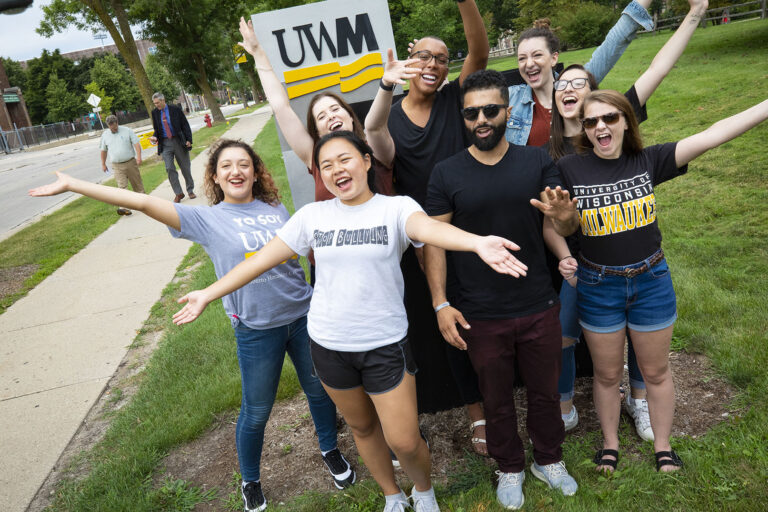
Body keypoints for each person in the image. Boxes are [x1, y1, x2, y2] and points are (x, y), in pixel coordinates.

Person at [171, 131, 528, 512]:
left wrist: (476, 242)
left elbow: (429, 230)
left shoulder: (395, 208)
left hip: (385, 345)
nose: (337, 170)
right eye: (326, 165)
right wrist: (208, 293)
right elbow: (259, 260)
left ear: (366, 161)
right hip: (328, 346)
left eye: (345, 159)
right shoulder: (312, 216)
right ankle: (392, 494)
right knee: (361, 428)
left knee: (405, 440)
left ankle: (423, 490)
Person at [29, 139, 356, 512]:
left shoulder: (275, 206)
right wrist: (75, 185)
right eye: (227, 166)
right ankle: (250, 479)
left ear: (255, 171)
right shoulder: (207, 218)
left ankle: (329, 449)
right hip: (256, 329)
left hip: (302, 317)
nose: (237, 171)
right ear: (215, 176)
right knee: (256, 409)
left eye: (244, 164)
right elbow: (143, 202)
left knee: (319, 390)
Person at [537, 90, 768, 473]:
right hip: (598, 284)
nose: (600, 127)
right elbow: (556, 225)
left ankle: (663, 446)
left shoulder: (648, 159)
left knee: (656, 371)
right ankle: (609, 445)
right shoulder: (570, 170)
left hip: (651, 280)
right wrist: (564, 242)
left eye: (610, 118)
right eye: (591, 121)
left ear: (627, 121)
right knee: (608, 374)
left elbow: (715, 134)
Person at [547, 0, 708, 437]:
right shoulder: (545, 152)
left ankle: (640, 399)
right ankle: (566, 403)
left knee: (643, 332)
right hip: (580, 264)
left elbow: (658, 68)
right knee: (566, 332)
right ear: (554, 95)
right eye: (563, 82)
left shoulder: (609, 123)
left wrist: (694, 14)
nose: (572, 88)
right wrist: (565, 251)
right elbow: (551, 220)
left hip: (632, 259)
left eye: (582, 83)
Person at [425, 70, 579, 509]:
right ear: (464, 118)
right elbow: (434, 243)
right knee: (495, 398)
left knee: (545, 391)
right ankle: (509, 466)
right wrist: (440, 303)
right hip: (479, 310)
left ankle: (548, 459)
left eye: (490, 110)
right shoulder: (446, 173)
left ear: (508, 112)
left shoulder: (536, 162)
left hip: (537, 302)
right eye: (472, 113)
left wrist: (566, 218)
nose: (482, 119)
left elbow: (560, 224)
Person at [384, 0, 492, 454]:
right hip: (424, 237)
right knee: (447, 319)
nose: (432, 64)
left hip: (472, 223)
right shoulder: (388, 117)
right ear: (409, 64)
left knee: (485, 314)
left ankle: (499, 395)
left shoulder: (455, 100)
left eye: (441, 58)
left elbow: (480, 53)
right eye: (423, 56)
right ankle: (477, 414)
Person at [237, 17, 418, 202]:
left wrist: (386, 84)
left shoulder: (375, 149)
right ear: (317, 131)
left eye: (335, 109)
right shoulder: (315, 158)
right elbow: (281, 107)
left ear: (349, 116)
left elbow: (375, 126)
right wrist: (257, 52)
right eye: (322, 116)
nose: (331, 116)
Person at [506, 0, 654, 146]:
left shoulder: (578, 84)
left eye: (537, 55)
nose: (529, 63)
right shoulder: (509, 99)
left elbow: (614, 42)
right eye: (522, 58)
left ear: (553, 58)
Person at [149, 92, 195, 203]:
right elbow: (157, 129)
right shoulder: (155, 113)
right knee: (169, 168)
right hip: (165, 143)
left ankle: (190, 190)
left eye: (158, 102)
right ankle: (178, 193)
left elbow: (185, 125)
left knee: (185, 167)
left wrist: (188, 139)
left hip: (178, 141)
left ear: (163, 100)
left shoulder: (175, 109)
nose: (156, 105)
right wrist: (155, 137)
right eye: (154, 103)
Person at [99, 114, 145, 216]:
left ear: (117, 123)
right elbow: (103, 150)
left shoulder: (127, 130)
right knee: (122, 186)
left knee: (137, 184)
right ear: (108, 125)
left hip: (130, 162)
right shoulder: (105, 135)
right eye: (111, 127)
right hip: (117, 165)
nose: (113, 129)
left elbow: (136, 144)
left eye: (114, 126)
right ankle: (124, 208)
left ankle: (144, 203)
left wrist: (139, 157)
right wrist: (103, 164)